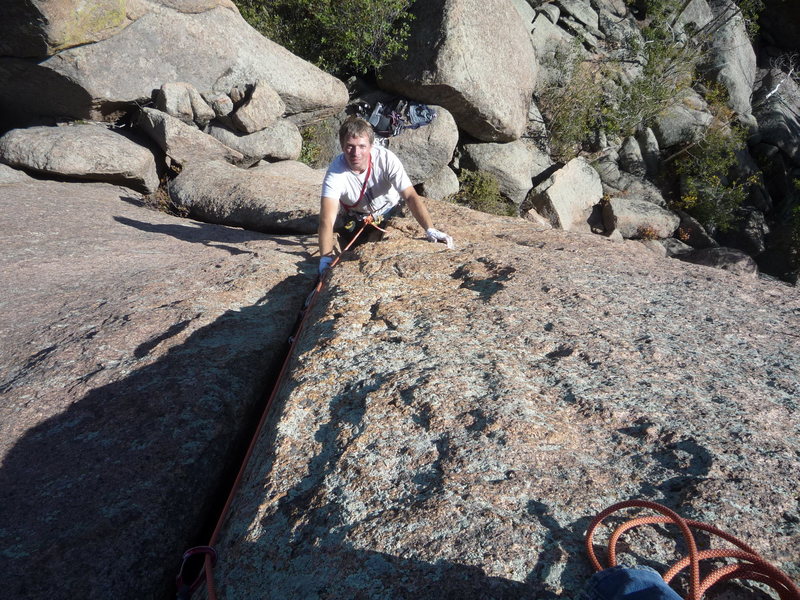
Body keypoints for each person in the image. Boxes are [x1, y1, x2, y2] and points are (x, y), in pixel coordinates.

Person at [318, 116, 454, 274]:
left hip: (391, 211)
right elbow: (326, 219)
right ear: (342, 146)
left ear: (371, 146)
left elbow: (410, 195)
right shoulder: (336, 173)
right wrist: (325, 259)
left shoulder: (386, 159)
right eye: (350, 146)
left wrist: (430, 229)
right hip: (358, 217)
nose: (356, 153)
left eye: (362, 146)